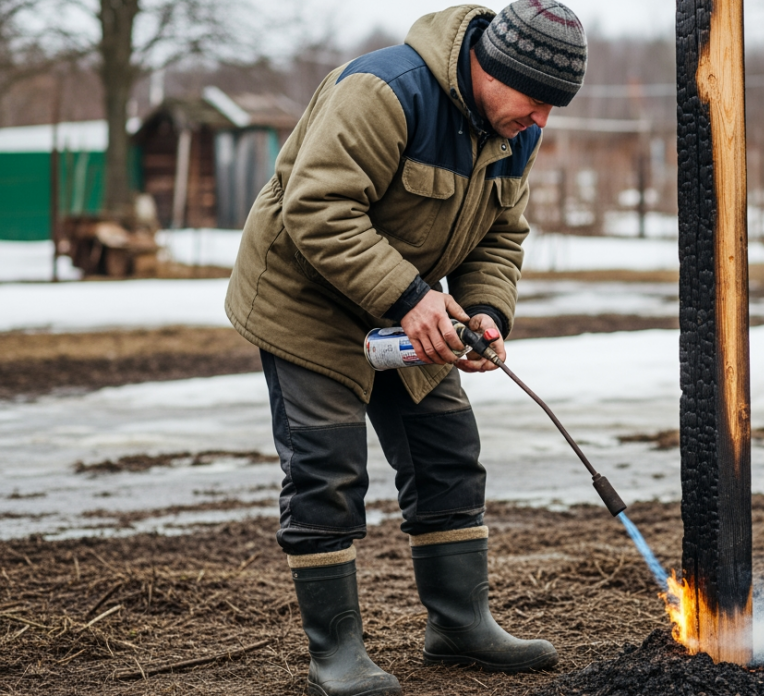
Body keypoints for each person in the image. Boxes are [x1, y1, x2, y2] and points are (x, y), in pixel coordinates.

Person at [224, 2, 585, 693]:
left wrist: (482, 311)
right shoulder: (384, 92)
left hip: (408, 303)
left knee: (447, 450)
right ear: (493, 69)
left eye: (553, 107)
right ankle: (336, 653)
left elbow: (501, 234)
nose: (542, 121)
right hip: (308, 301)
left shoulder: (516, 131)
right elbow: (317, 209)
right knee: (327, 468)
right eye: (537, 101)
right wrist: (411, 297)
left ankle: (459, 624)